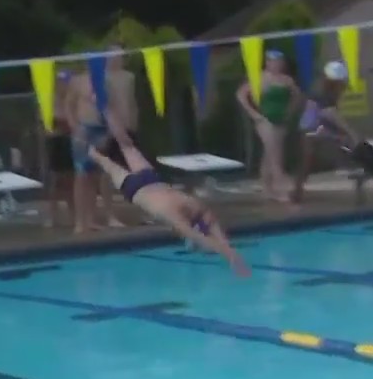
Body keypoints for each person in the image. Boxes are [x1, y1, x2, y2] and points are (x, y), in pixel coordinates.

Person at [87, 115, 249, 276]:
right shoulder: (176, 215)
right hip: (137, 188)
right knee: (106, 158)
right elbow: (200, 236)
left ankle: (105, 109)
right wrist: (229, 255)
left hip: (150, 180)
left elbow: (211, 231)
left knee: (124, 146)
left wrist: (230, 254)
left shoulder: (194, 206)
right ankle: (101, 119)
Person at [237, 49, 304, 201]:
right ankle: (281, 189)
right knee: (275, 154)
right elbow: (241, 94)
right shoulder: (260, 78)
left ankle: (267, 190)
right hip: (264, 120)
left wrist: (290, 111)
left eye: (280, 62)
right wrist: (254, 114)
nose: (277, 65)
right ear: (267, 62)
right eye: (273, 62)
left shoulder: (287, 80)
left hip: (281, 119)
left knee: (269, 155)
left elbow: (298, 96)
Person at [65, 67, 122, 233]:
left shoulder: (106, 82)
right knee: (82, 175)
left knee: (98, 176)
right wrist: (75, 128)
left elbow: (112, 107)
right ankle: (79, 222)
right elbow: (69, 105)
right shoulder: (78, 81)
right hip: (84, 130)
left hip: (101, 129)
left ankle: (92, 219)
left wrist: (111, 131)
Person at [292, 61, 350, 203]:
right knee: (308, 159)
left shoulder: (326, 91)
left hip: (316, 125)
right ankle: (297, 191)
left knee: (309, 159)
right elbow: (329, 113)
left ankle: (297, 190)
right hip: (312, 127)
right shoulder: (323, 93)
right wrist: (348, 131)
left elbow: (329, 114)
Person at [40, 70, 76, 229]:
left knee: (71, 181)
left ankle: (73, 214)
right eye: (62, 82)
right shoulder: (51, 100)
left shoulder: (72, 99)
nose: (64, 86)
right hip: (56, 142)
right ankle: (51, 215)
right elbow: (49, 125)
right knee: (55, 181)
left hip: (69, 141)